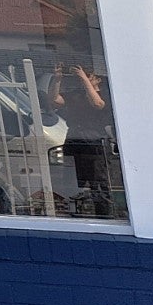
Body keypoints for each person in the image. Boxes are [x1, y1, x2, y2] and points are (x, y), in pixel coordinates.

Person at [49, 58, 118, 215]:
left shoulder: (105, 94)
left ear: (97, 79)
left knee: (99, 183)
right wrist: (57, 80)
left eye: (89, 76)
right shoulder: (75, 94)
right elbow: (55, 101)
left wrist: (84, 79)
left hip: (95, 142)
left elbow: (97, 104)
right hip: (74, 139)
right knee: (71, 181)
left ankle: (104, 215)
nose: (84, 79)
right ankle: (75, 212)